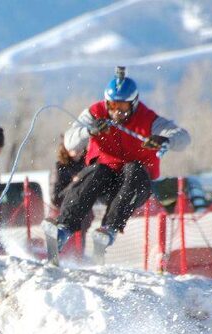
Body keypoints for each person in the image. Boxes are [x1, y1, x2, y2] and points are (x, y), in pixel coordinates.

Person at [45, 66, 190, 256]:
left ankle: (108, 229)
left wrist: (165, 139)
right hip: (105, 182)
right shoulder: (95, 113)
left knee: (134, 169)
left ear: (134, 104)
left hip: (134, 187)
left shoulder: (148, 119)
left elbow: (183, 138)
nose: (116, 113)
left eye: (122, 107)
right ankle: (63, 228)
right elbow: (70, 141)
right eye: (112, 106)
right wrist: (88, 130)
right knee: (97, 171)